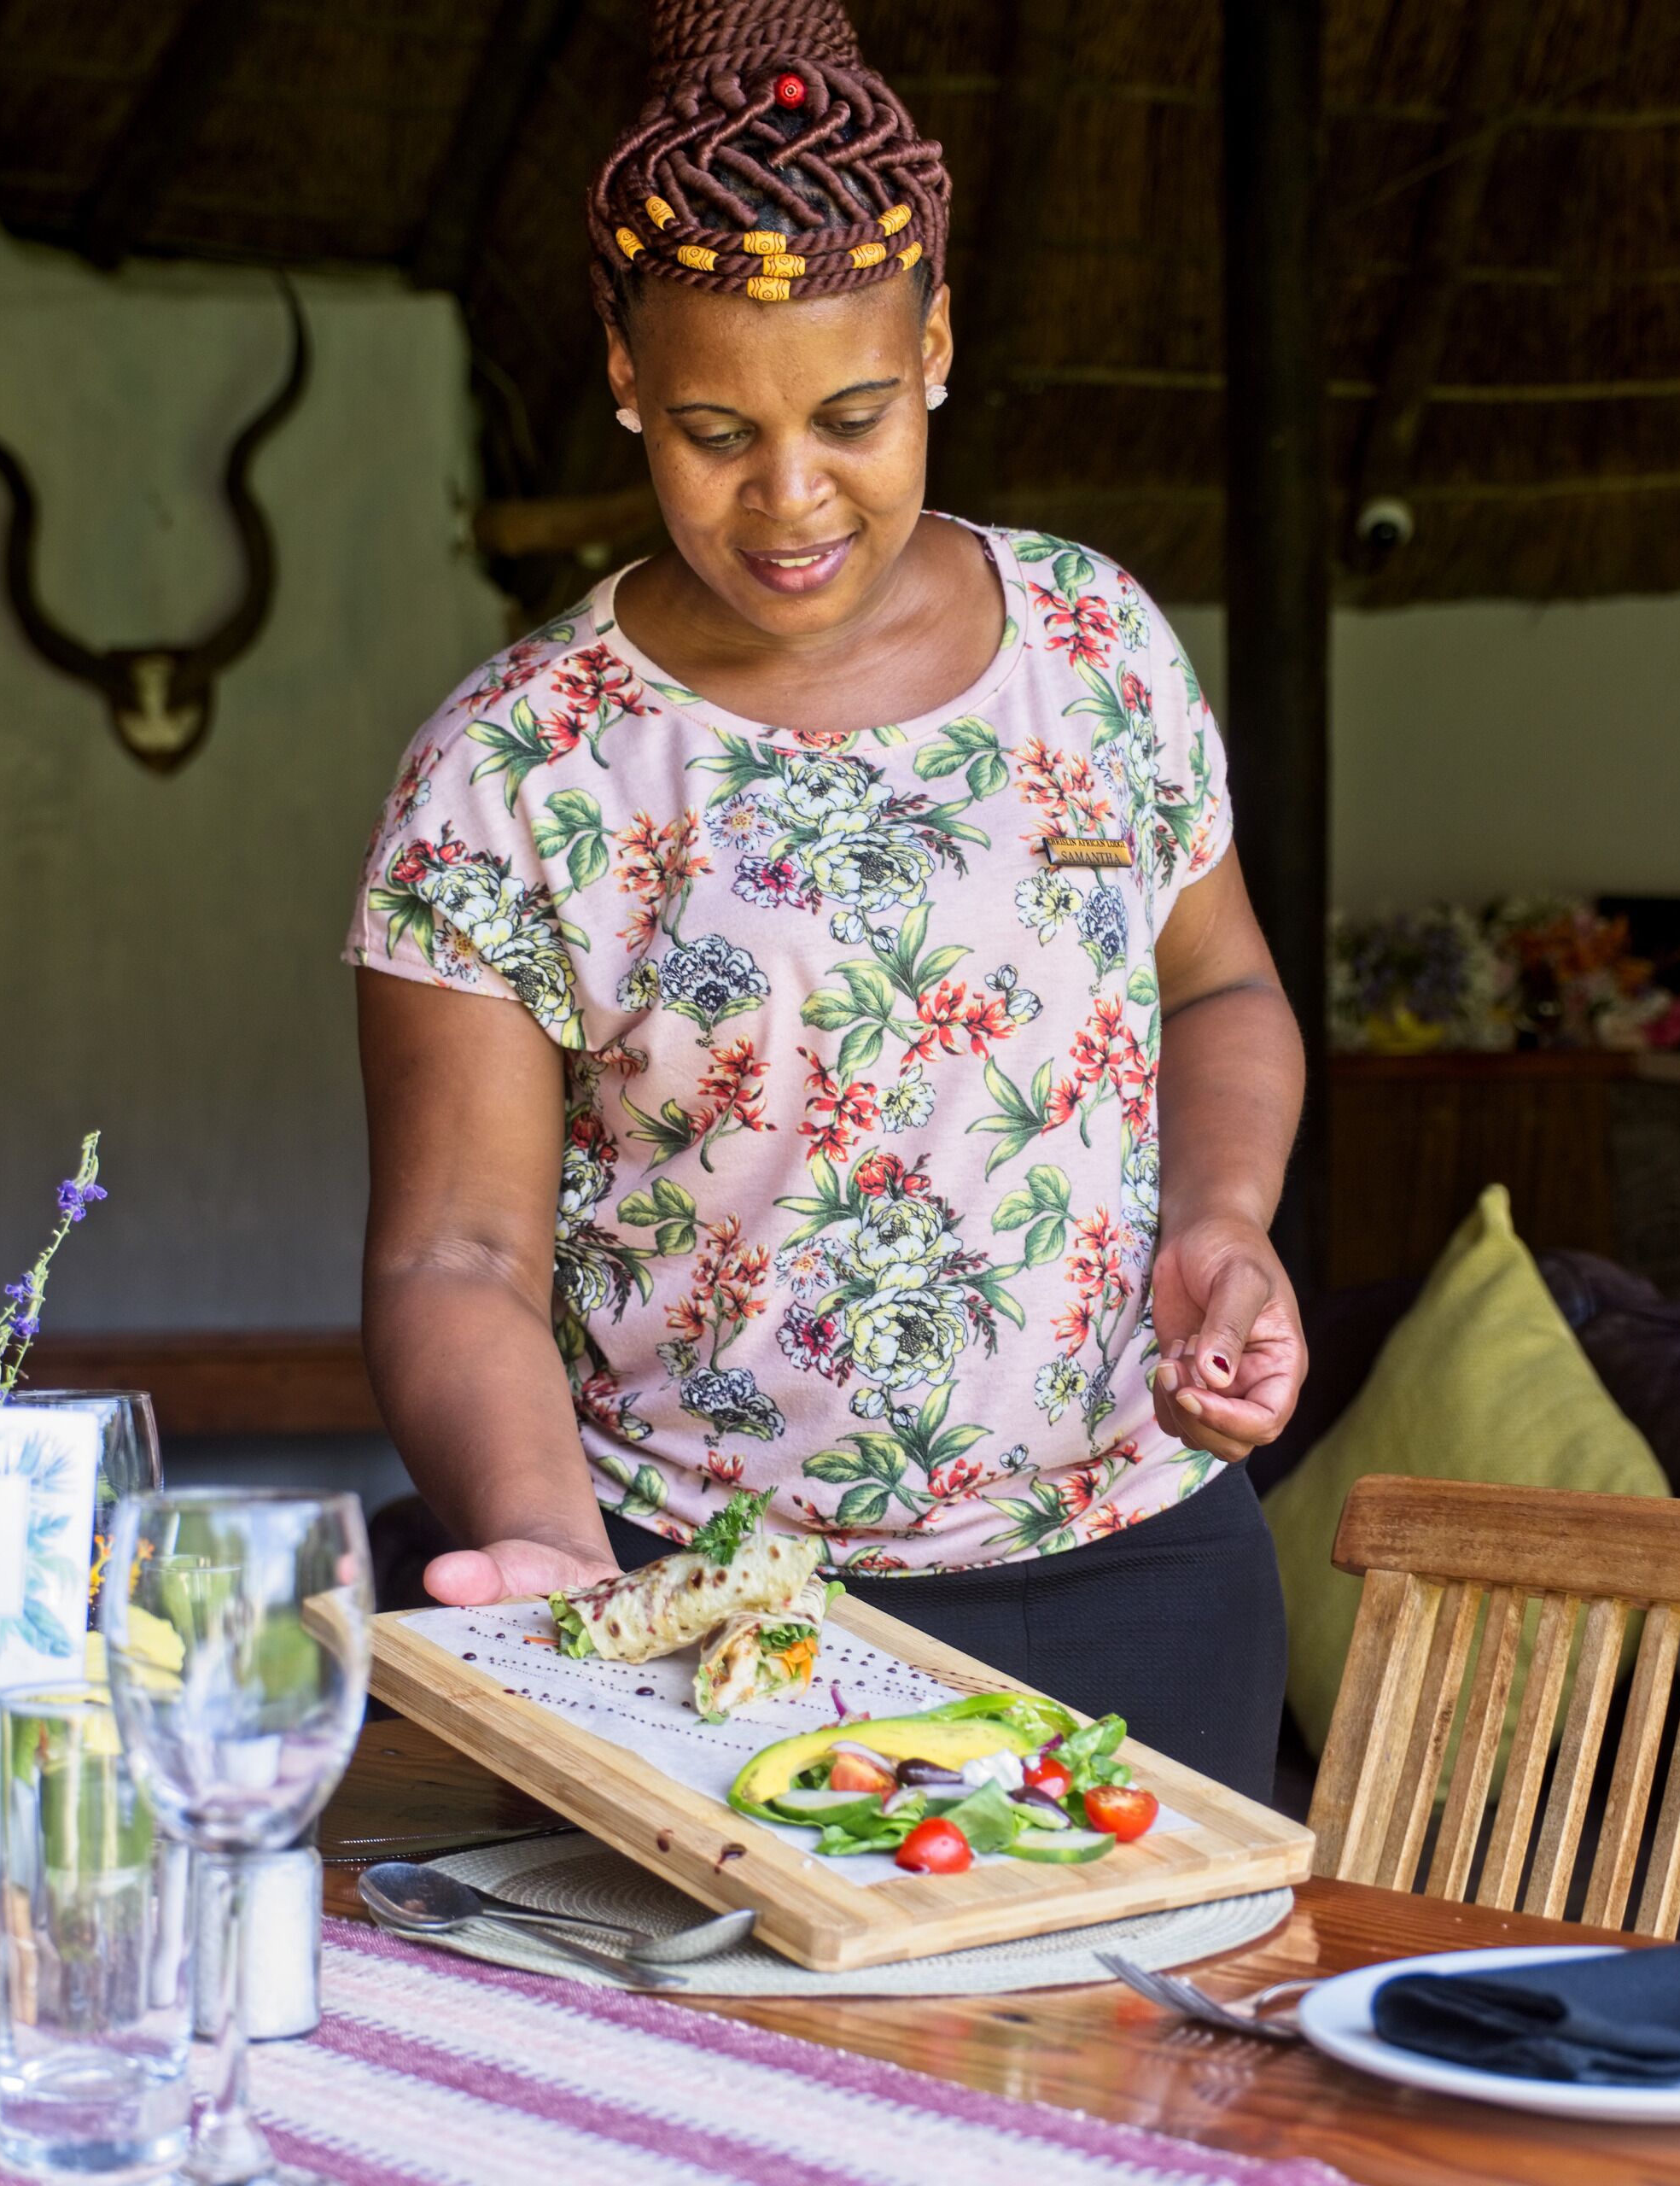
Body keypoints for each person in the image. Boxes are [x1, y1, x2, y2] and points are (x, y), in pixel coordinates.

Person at [344, 0, 1308, 1800]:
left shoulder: (1096, 652)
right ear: (625, 378)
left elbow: (1223, 991)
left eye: (852, 414)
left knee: (1152, 2084)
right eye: (714, 429)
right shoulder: (518, 767)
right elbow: (455, 1250)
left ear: (935, 343)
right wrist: (553, 1551)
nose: (789, 497)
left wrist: (1227, 1215)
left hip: (1146, 1570)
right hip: (707, 1609)